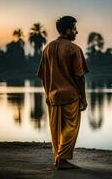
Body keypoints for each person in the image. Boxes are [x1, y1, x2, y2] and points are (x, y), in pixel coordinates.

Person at [36, 16, 89, 170]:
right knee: (71, 128)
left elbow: (43, 76)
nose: (76, 32)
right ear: (67, 31)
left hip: (53, 96)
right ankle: (63, 159)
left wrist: (48, 94)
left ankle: (58, 159)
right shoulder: (74, 49)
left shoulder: (48, 48)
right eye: (74, 29)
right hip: (70, 95)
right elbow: (79, 77)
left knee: (56, 129)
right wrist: (83, 99)